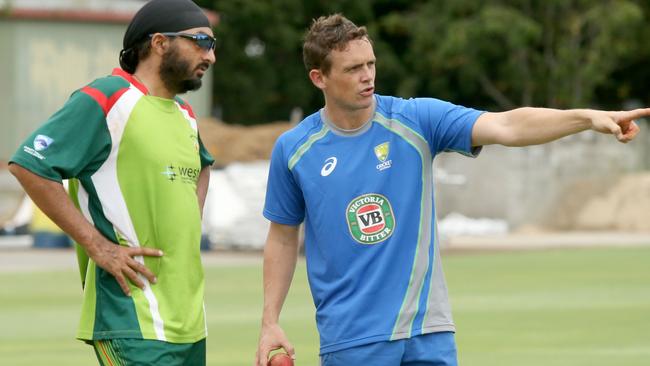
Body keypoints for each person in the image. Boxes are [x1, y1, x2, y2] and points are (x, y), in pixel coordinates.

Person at [255, 13, 646, 366]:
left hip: (430, 331)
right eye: (353, 68)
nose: (368, 76)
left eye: (371, 64)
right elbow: (283, 237)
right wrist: (269, 321)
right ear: (319, 78)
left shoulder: (415, 119)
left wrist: (588, 118)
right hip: (353, 339)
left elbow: (507, 126)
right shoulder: (295, 150)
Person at [8, 0, 216, 364]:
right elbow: (29, 165)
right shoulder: (108, 97)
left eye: (213, 45)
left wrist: (186, 223)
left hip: (190, 321)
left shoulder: (185, 115)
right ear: (159, 43)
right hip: (130, 319)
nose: (210, 56)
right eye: (201, 41)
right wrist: (97, 246)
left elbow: (203, 166)